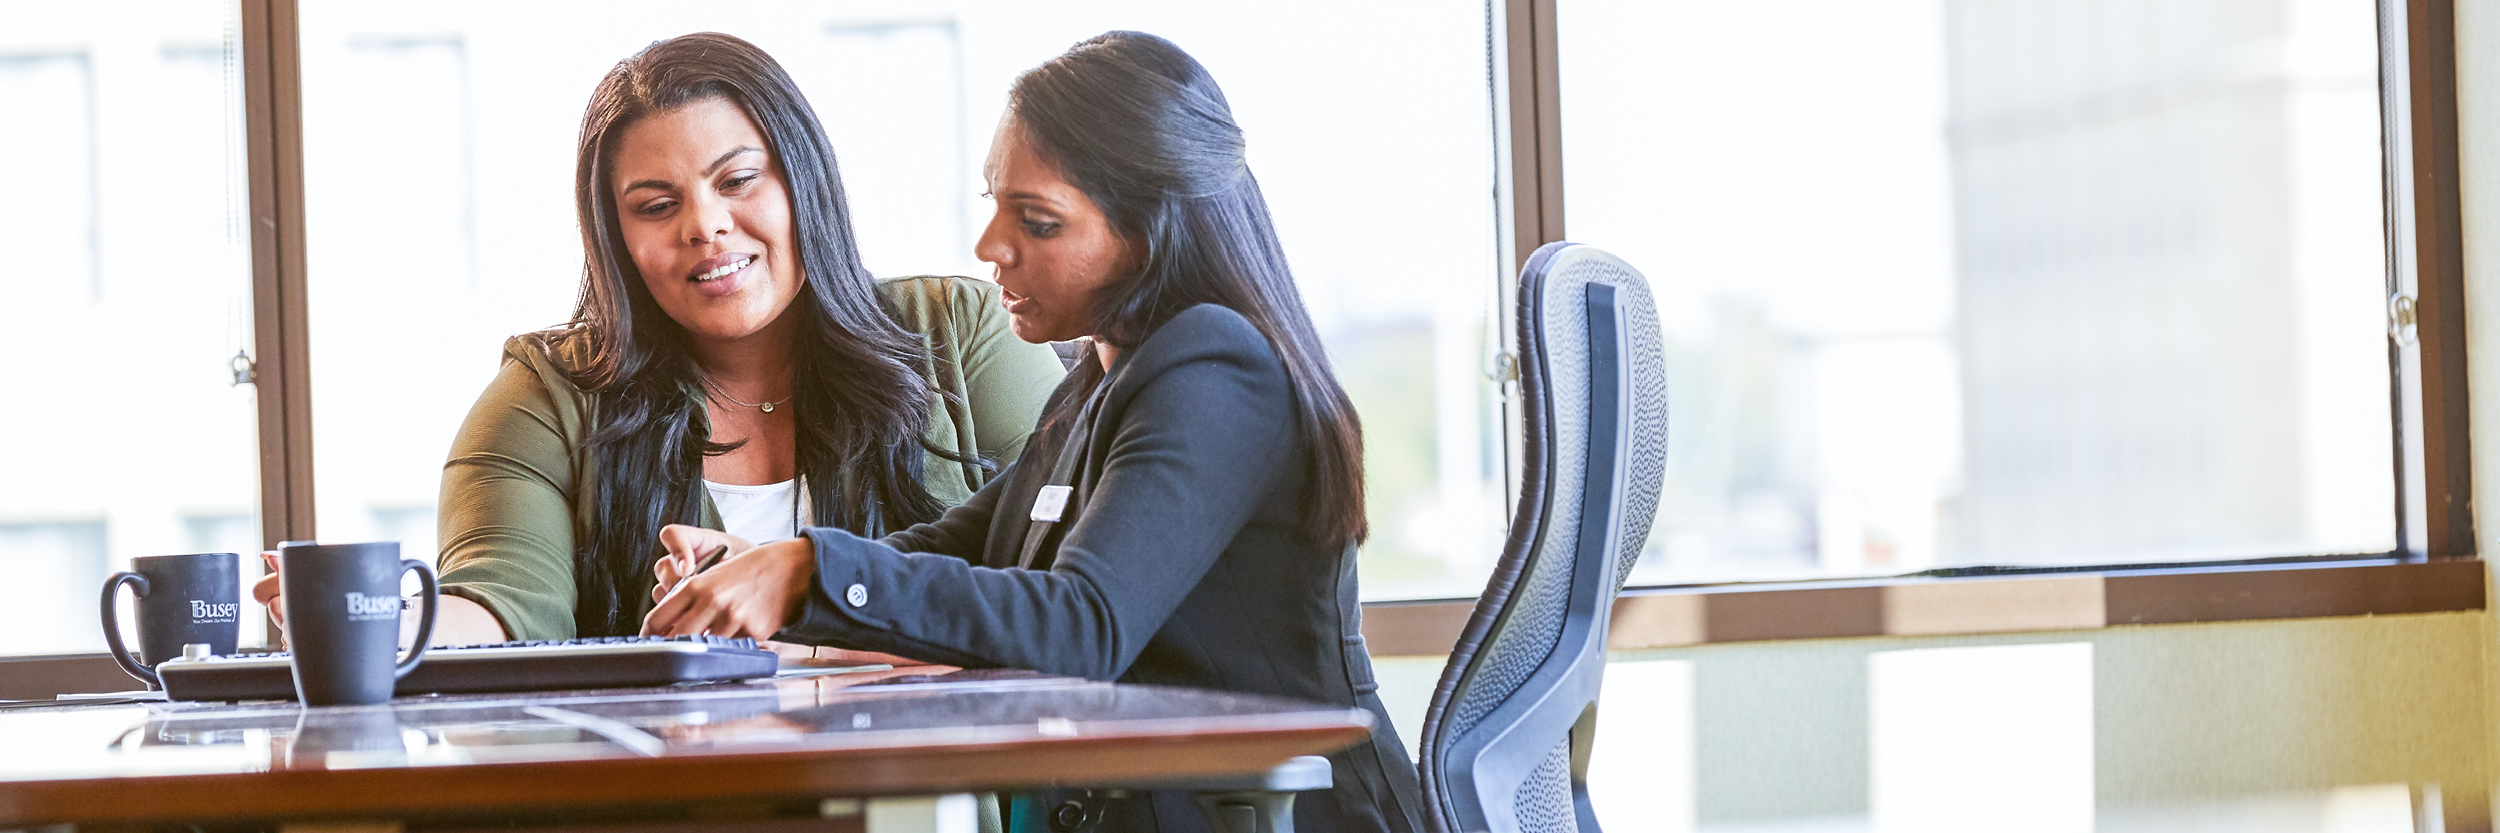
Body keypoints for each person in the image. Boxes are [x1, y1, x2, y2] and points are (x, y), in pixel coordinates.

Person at [641, 31, 1425, 833]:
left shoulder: (1217, 372)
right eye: (994, 205)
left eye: (1039, 222)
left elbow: (1080, 624)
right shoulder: (1102, 376)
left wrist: (810, 573)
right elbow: (968, 544)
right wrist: (770, 568)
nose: (991, 249)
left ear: (1147, 230)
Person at [254, 32, 1065, 646]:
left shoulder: (958, 335)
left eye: (738, 180)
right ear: (616, 236)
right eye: (654, 204)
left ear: (803, 183)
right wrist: (379, 621)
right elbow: (504, 604)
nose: (705, 227)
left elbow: (1063, 586)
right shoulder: (546, 396)